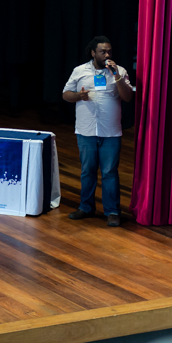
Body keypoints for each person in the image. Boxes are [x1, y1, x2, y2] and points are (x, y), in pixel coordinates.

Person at [62, 36, 133, 227]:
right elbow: (66, 94)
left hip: (110, 132)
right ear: (93, 53)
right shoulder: (80, 71)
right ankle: (86, 207)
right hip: (86, 131)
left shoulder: (120, 71)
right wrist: (79, 95)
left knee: (109, 172)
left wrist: (116, 75)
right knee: (87, 171)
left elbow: (127, 97)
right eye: (103, 52)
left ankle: (112, 211)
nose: (107, 55)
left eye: (109, 51)